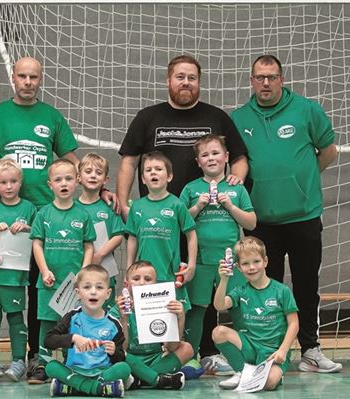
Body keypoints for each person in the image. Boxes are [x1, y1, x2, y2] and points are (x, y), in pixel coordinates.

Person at [117, 54, 248, 374]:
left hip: (200, 222)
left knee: (197, 288)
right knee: (159, 285)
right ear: (168, 80)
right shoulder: (147, 117)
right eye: (180, 77)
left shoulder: (217, 117)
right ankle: (152, 351)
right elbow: (129, 162)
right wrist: (123, 200)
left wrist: (235, 184)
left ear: (199, 82)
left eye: (192, 77)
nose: (186, 82)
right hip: (155, 221)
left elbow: (241, 159)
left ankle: (205, 352)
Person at [231, 54, 341, 373]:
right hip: (262, 221)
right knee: (266, 289)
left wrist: (302, 183)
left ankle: (311, 350)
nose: (266, 83)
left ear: (282, 79)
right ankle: (270, 353)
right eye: (259, 77)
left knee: (306, 286)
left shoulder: (307, 110)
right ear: (251, 81)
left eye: (272, 77)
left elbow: (329, 151)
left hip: (304, 217)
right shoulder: (239, 118)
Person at [0, 56, 79, 378]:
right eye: (22, 76)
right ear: (13, 77)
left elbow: (73, 159)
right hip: (5, 221)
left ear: (40, 79)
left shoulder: (51, 116)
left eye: (34, 76)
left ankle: (37, 356)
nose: (28, 82)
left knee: (37, 290)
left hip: (42, 218)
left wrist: (97, 186)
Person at [179, 134, 256, 373]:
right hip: (201, 261)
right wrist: (197, 206)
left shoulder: (236, 188)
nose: (211, 158)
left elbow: (252, 223)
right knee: (197, 309)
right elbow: (179, 222)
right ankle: (189, 358)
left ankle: (248, 357)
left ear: (226, 157)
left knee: (239, 306)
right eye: (205, 155)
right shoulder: (191, 189)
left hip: (232, 263)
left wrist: (231, 207)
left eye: (215, 153)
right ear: (198, 161)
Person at [29, 158, 96, 383]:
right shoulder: (43, 214)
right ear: (50, 185)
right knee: (47, 323)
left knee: (72, 323)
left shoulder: (83, 215)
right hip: (49, 281)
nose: (64, 183)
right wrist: (44, 270)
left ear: (77, 181)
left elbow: (89, 245)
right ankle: (43, 365)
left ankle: (71, 364)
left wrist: (83, 273)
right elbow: (37, 243)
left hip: (73, 285)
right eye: (58, 180)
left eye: (68, 178)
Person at [0, 159, 36, 382]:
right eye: (3, 182)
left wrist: (27, 228)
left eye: (13, 181)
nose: (8, 186)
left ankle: (19, 360)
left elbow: (39, 236)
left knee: (15, 318)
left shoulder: (29, 208)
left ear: (20, 182)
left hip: (15, 278)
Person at [212, 236, 299, 390]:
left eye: (256, 261)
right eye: (245, 264)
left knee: (270, 383)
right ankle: (242, 372)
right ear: (238, 267)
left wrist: (283, 350)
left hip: (273, 352)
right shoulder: (240, 291)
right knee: (219, 332)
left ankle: (267, 374)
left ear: (265, 261)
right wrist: (223, 280)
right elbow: (219, 305)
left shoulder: (282, 291)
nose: (251, 267)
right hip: (249, 347)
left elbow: (294, 324)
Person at [44, 264, 131, 398]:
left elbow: (120, 357)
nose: (93, 291)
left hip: (102, 373)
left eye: (99, 287)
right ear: (78, 293)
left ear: (108, 294)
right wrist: (72, 338)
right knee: (51, 366)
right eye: (87, 287)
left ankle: (73, 388)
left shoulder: (113, 323)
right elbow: (48, 340)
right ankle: (98, 389)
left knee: (124, 368)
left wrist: (115, 352)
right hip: (74, 371)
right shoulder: (71, 317)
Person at [125, 151, 197, 311]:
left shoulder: (177, 205)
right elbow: (132, 239)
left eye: (158, 169)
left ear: (169, 176)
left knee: (173, 320)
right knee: (147, 322)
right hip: (144, 278)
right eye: (148, 170)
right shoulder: (137, 207)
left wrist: (191, 265)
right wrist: (129, 269)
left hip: (170, 275)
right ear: (143, 179)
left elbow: (191, 235)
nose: (153, 173)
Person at [111, 260, 192, 390]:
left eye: (148, 279)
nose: (142, 282)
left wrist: (180, 317)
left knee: (186, 348)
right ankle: (155, 378)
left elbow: (171, 347)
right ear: (127, 284)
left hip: (154, 358)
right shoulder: (117, 310)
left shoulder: (163, 305)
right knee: (117, 356)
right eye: (136, 278)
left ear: (155, 284)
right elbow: (122, 348)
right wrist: (124, 319)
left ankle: (139, 380)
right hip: (129, 358)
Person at [76, 153, 125, 311]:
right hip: (77, 272)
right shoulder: (71, 208)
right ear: (78, 177)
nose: (93, 176)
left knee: (105, 315)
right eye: (88, 171)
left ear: (105, 180)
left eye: (98, 172)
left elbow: (118, 236)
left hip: (104, 271)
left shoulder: (109, 206)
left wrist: (99, 255)